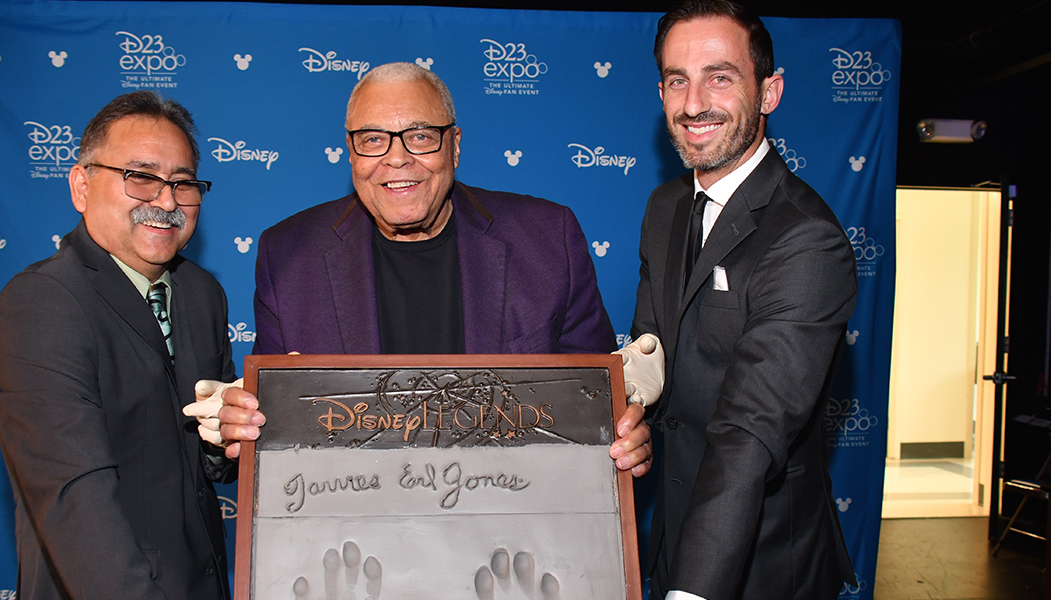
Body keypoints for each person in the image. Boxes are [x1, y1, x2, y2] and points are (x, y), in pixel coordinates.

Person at [198, 62, 650, 476]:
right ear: (350, 153)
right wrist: (245, 426)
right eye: (373, 139)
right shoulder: (289, 255)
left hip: (512, 522)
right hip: (351, 527)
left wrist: (623, 439)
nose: (396, 158)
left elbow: (596, 404)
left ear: (453, 146)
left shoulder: (549, 239)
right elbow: (279, 425)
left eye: (419, 136)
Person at [623, 1, 859, 598]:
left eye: (719, 77)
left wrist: (690, 591)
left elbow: (749, 434)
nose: (694, 102)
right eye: (678, 80)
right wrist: (632, 416)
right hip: (672, 536)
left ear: (770, 92)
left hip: (764, 561)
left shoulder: (806, 238)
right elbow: (650, 352)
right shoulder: (666, 208)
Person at [0, 90, 254, 599]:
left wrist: (227, 437)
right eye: (141, 177)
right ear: (81, 186)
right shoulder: (43, 300)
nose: (166, 200)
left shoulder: (202, 293)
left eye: (183, 182)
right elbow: (72, 500)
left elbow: (208, 464)